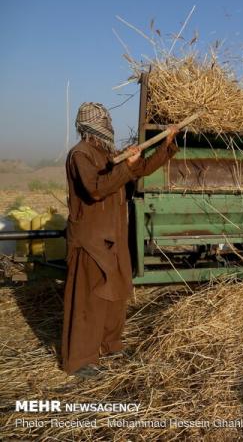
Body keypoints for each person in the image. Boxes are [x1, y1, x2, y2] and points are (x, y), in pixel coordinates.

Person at [62, 102, 178, 377]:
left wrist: (166, 145)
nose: (109, 126)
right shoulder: (80, 154)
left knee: (115, 294)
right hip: (90, 239)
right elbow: (95, 189)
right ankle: (79, 360)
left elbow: (141, 170)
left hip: (112, 237)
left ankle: (109, 344)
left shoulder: (107, 153)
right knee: (88, 300)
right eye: (105, 122)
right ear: (92, 126)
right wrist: (125, 166)